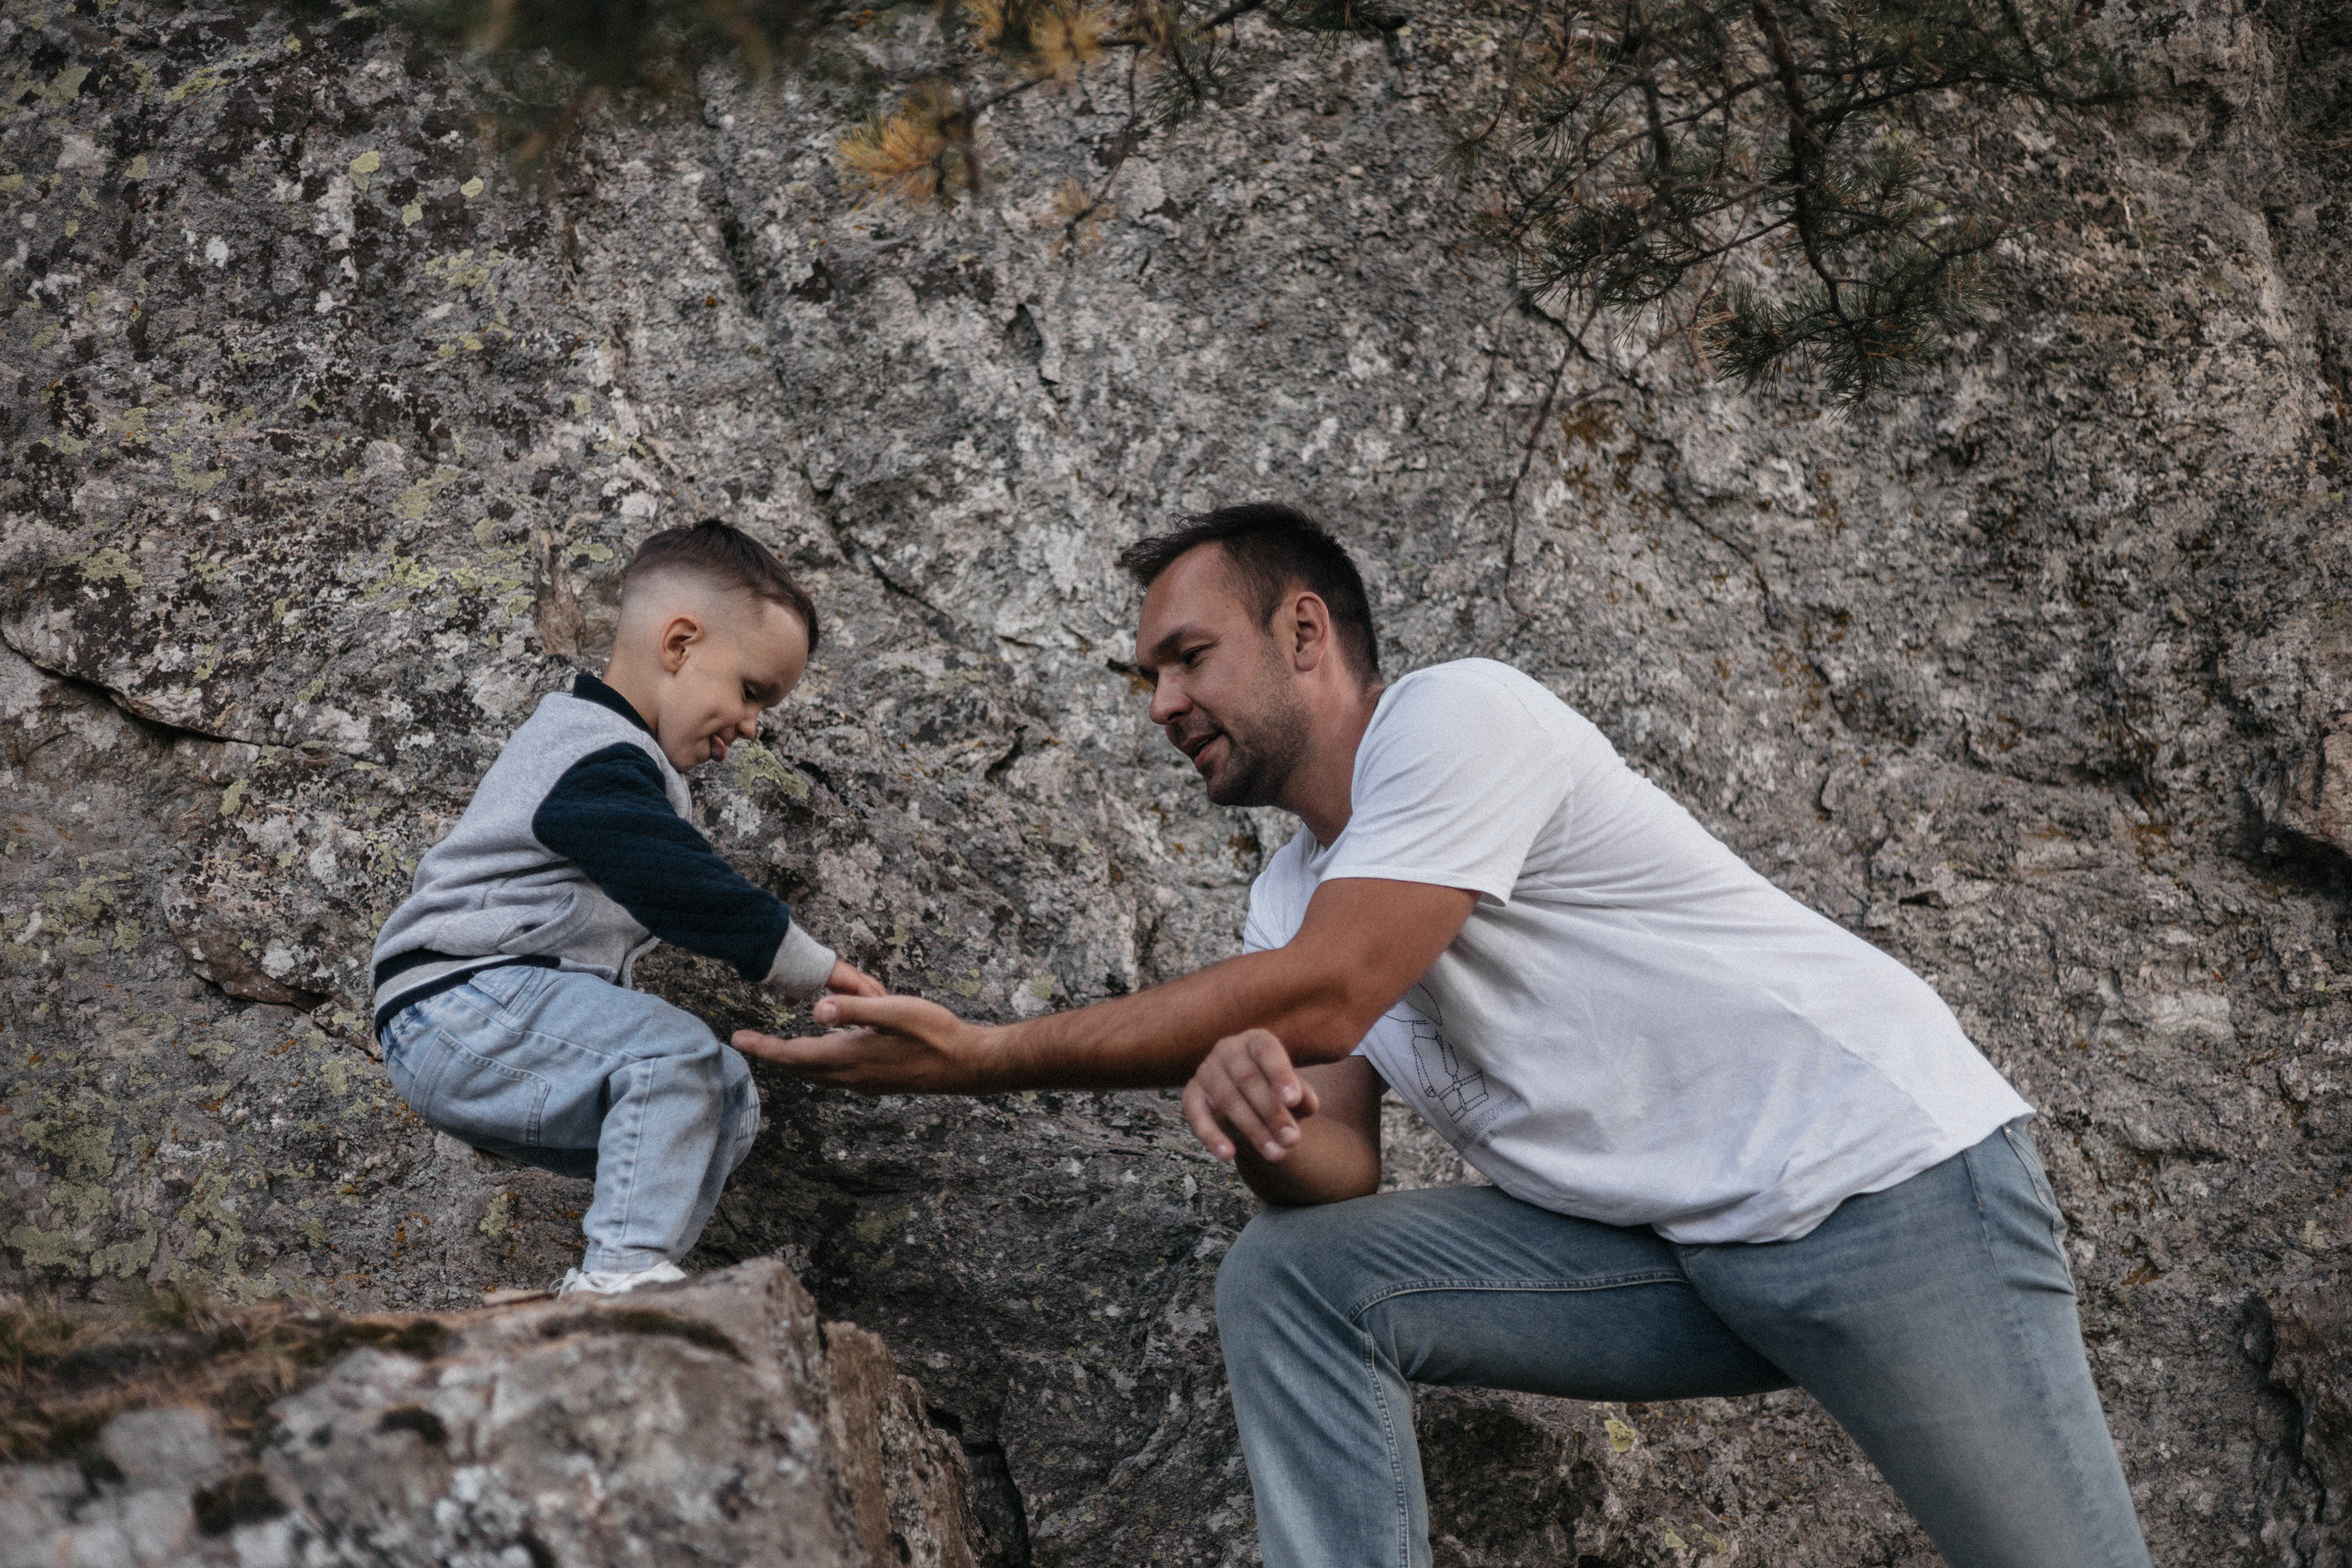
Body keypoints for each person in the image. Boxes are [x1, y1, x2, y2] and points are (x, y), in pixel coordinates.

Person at [733, 504, 2154, 1568]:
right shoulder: (1285, 894)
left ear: (1305, 633)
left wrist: (988, 1054)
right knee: (1295, 1276)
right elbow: (1336, 1162)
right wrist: (1264, 1127)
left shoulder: (1460, 718)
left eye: (1186, 659)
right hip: (1672, 1259)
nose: (1163, 706)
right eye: (1146, 679)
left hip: (1889, 1195)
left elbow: (1335, 992)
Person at [370, 519, 883, 1298]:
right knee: (673, 1056)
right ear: (678, 644)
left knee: (724, 1097)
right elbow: (676, 883)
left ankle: (632, 1272)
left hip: (487, 1015)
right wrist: (813, 969)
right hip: (461, 998)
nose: (752, 726)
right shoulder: (591, 749)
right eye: (751, 692)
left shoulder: (616, 759)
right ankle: (621, 1274)